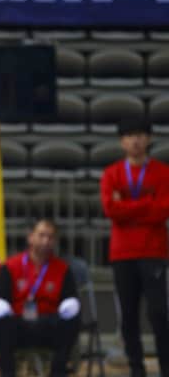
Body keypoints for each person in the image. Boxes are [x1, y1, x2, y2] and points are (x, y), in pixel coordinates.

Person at [100, 117, 169, 377]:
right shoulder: (112, 173)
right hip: (123, 253)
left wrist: (126, 206)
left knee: (159, 313)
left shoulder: (163, 172)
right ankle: (136, 369)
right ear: (122, 142)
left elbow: (163, 210)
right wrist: (146, 203)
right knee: (128, 316)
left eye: (140, 135)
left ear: (149, 139)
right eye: (130, 136)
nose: (136, 141)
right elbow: (111, 209)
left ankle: (166, 367)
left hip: (153, 251)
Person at [0, 219, 80, 377]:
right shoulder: (11, 266)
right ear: (30, 237)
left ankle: (58, 372)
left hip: (49, 325)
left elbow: (71, 299)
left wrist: (70, 306)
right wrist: (0, 306)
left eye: (50, 237)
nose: (46, 241)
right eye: (41, 235)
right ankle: (7, 373)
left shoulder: (63, 269)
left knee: (72, 319)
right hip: (19, 325)